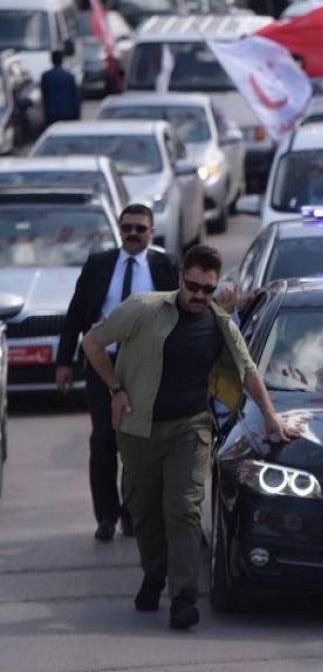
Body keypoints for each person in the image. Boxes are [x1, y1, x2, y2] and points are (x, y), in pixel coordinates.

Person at [81, 244, 301, 631]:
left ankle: (183, 598)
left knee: (183, 509)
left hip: (191, 427)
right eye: (192, 286)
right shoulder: (144, 308)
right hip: (139, 429)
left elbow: (248, 371)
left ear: (216, 287)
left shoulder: (220, 323)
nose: (199, 296)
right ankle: (154, 573)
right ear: (180, 278)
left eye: (207, 289)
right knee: (143, 511)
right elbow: (93, 342)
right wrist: (115, 388)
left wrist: (272, 419)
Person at [55, 204, 179, 541]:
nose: (134, 234)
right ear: (119, 230)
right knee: (104, 440)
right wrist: (64, 361)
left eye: (141, 228)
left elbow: (183, 314)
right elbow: (76, 313)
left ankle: (132, 514)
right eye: (128, 228)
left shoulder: (165, 265)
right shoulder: (99, 265)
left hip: (148, 368)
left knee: (139, 444)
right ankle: (106, 516)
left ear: (152, 232)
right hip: (102, 364)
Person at [40, 49, 81, 128]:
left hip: (52, 114)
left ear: (51, 60)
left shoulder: (46, 76)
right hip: (68, 113)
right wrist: (77, 115)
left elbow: (44, 96)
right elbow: (76, 97)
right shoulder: (70, 76)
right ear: (62, 60)